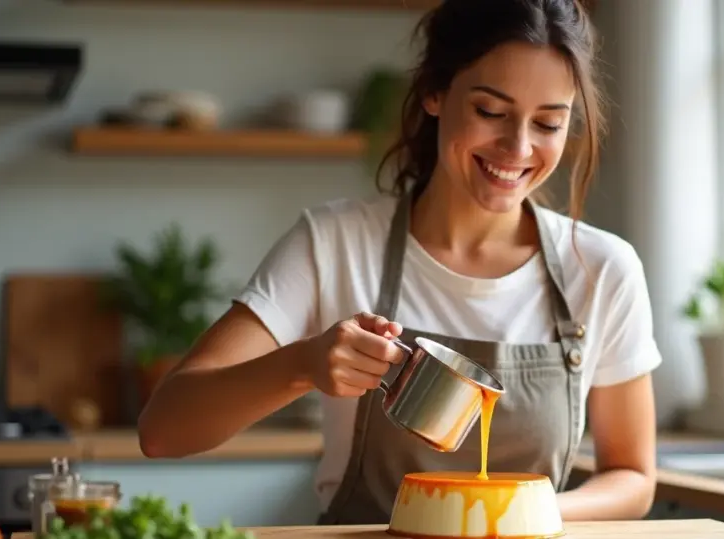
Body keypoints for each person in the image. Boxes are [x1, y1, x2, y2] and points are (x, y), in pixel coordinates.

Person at [138, 0, 662, 524]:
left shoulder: (602, 269)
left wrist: (519, 510)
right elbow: (163, 430)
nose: (517, 147)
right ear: (435, 92)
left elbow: (633, 478)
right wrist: (302, 365)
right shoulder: (334, 243)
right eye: (490, 112)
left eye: (549, 123)